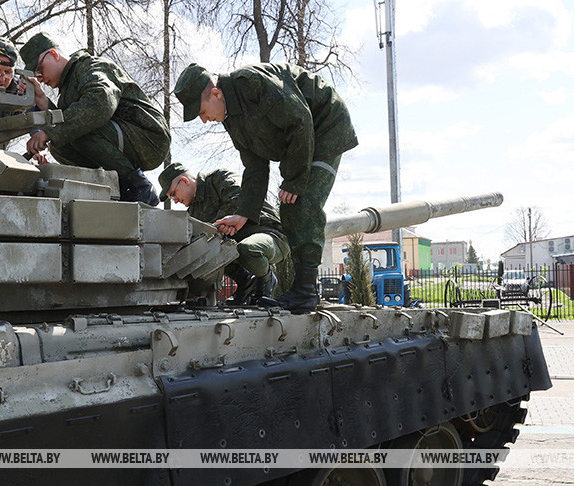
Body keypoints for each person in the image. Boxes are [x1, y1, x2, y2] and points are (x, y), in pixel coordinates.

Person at [173, 62, 358, 313]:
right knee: (292, 203)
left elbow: (300, 118)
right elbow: (255, 166)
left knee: (300, 203)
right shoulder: (231, 118)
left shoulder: (251, 83)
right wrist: (244, 214)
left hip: (324, 126)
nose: (205, 120)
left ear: (216, 94)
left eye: (202, 111)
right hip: (300, 138)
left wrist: (294, 180)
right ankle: (302, 291)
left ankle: (305, 291)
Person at [19, 32, 170, 206]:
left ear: (53, 54)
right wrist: (42, 100)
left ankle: (139, 186)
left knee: (75, 128)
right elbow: (68, 121)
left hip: (149, 137)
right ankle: (113, 185)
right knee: (60, 144)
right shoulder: (67, 90)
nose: (41, 78)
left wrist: (49, 131)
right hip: (126, 138)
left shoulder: (89, 66)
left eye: (40, 69)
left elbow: (100, 104)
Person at [159, 162, 290, 305]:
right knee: (205, 253)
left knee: (248, 249)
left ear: (184, 181)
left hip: (271, 235)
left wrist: (217, 225)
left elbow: (241, 197)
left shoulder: (219, 178)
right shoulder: (193, 212)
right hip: (239, 245)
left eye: (173, 194)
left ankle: (265, 281)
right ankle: (246, 283)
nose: (176, 201)